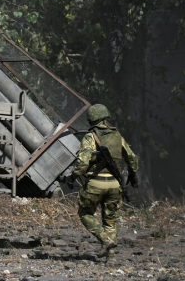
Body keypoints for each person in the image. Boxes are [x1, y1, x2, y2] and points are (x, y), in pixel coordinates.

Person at [74, 103, 139, 258]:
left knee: (85, 213)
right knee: (110, 220)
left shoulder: (90, 137)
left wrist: (75, 174)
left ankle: (105, 239)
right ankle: (111, 258)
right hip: (115, 185)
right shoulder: (118, 136)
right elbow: (132, 158)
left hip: (95, 184)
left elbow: (83, 163)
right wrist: (132, 174)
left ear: (91, 120)